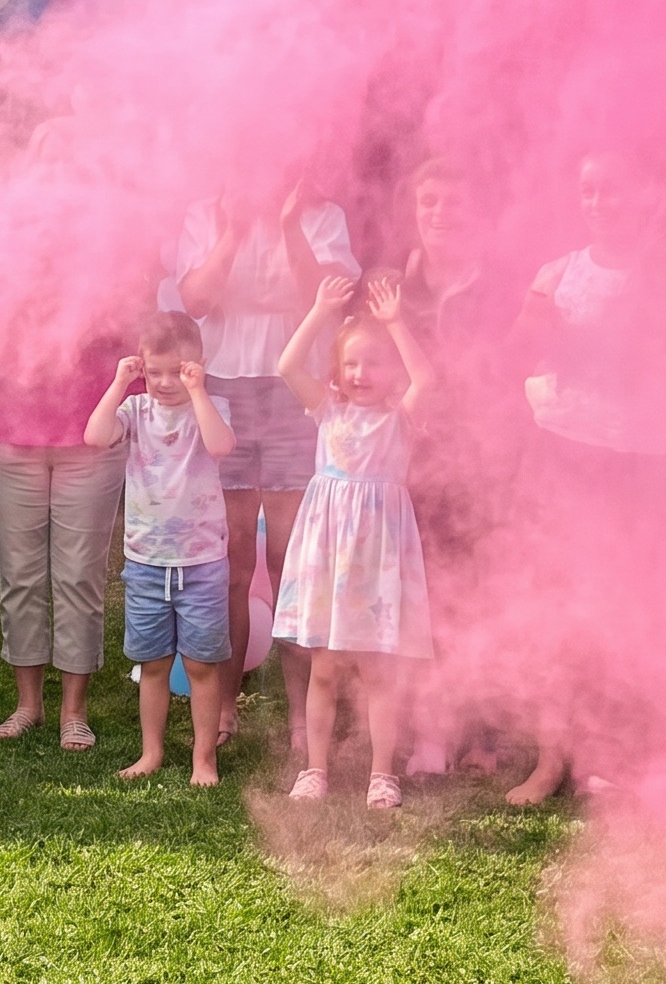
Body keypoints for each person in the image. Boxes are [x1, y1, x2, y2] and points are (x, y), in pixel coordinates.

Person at [503, 149, 666, 805]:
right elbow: (517, 355)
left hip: (642, 463)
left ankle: (610, 759)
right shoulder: (557, 274)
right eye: (587, 191)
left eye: (611, 191)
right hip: (564, 455)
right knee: (558, 612)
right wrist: (535, 327)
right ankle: (550, 759)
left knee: (627, 611)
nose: (597, 203)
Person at [173, 180, 358, 753]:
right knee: (230, 561)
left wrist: (286, 226)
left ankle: (304, 716)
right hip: (222, 388)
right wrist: (232, 229)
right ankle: (225, 706)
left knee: (289, 562)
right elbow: (196, 301)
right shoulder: (205, 209)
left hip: (293, 391)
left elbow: (320, 296)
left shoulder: (324, 216)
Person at [273, 272, 437, 811]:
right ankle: (315, 768)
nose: (362, 373)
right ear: (337, 370)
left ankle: (381, 773)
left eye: (374, 362)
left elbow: (428, 379)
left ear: (390, 370)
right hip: (330, 555)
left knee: (378, 671)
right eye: (351, 363)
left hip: (376, 559)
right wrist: (320, 310)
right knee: (323, 667)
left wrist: (395, 324)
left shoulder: (400, 419)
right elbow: (286, 366)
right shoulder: (329, 410)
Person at [395, 158, 523, 779]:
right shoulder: (391, 289)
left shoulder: (504, 289)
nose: (442, 215)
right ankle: (428, 736)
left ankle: (484, 734)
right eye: (430, 202)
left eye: (457, 204)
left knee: (475, 597)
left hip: (480, 465)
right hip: (405, 468)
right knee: (417, 600)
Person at [83, 312, 237, 785]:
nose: (165, 382)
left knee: (201, 665)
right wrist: (119, 384)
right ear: (142, 368)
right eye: (155, 373)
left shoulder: (211, 407)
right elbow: (94, 436)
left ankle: (202, 759)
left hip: (202, 562)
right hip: (147, 561)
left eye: (178, 372)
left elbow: (221, 445)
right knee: (152, 664)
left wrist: (198, 391)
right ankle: (151, 753)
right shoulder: (135, 412)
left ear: (198, 367)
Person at [0, 325, 128, 751]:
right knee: (19, 574)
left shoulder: (105, 264)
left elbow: (132, 324)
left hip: (92, 436)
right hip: (10, 433)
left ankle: (74, 712)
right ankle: (29, 705)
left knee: (80, 577)